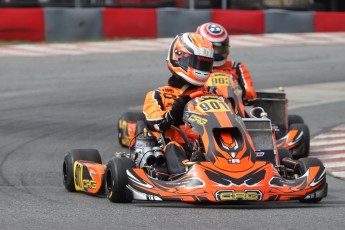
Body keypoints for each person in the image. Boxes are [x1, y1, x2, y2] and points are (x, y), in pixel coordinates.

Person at [143, 32, 214, 175]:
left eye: (204, 64)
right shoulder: (158, 94)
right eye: (197, 62)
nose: (201, 67)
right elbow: (155, 123)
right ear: (179, 57)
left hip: (210, 147)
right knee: (172, 147)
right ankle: (186, 175)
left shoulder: (212, 93)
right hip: (177, 148)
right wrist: (174, 113)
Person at [196, 22, 257, 102]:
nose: (217, 53)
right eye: (213, 48)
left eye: (221, 49)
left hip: (233, 110)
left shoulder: (236, 67)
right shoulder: (194, 68)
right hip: (203, 109)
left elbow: (250, 95)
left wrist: (240, 92)